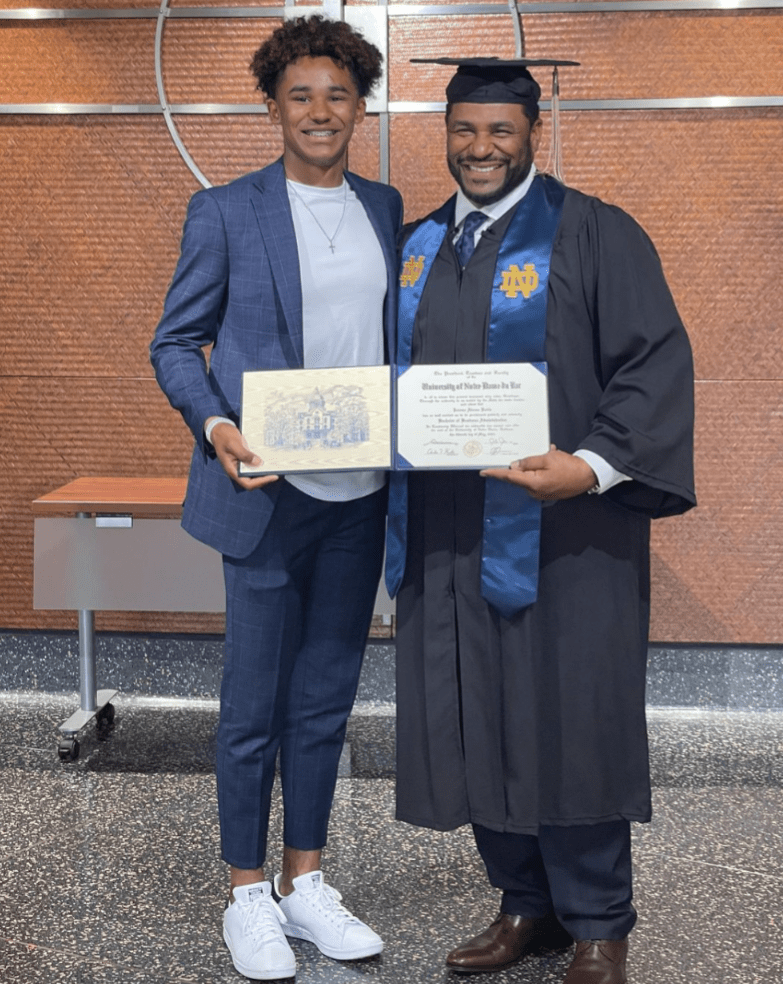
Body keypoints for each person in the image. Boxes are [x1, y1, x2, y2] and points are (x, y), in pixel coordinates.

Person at [386, 58, 695, 984]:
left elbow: (652, 363)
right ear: (445, 132)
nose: (480, 149)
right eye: (464, 131)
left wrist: (590, 465)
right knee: (476, 712)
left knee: (570, 716)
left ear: (532, 133)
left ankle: (598, 921)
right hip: (448, 534)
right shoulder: (414, 248)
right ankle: (525, 904)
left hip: (569, 536)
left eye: (500, 132)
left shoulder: (597, 234)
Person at [151, 16, 402, 981]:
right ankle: (245, 893)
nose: (320, 112)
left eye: (338, 95)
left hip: (360, 492)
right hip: (263, 493)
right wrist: (216, 427)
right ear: (271, 106)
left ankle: (306, 883)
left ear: (360, 107)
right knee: (251, 704)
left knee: (325, 698)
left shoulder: (385, 208)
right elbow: (176, 344)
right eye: (300, 95)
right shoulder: (224, 210)